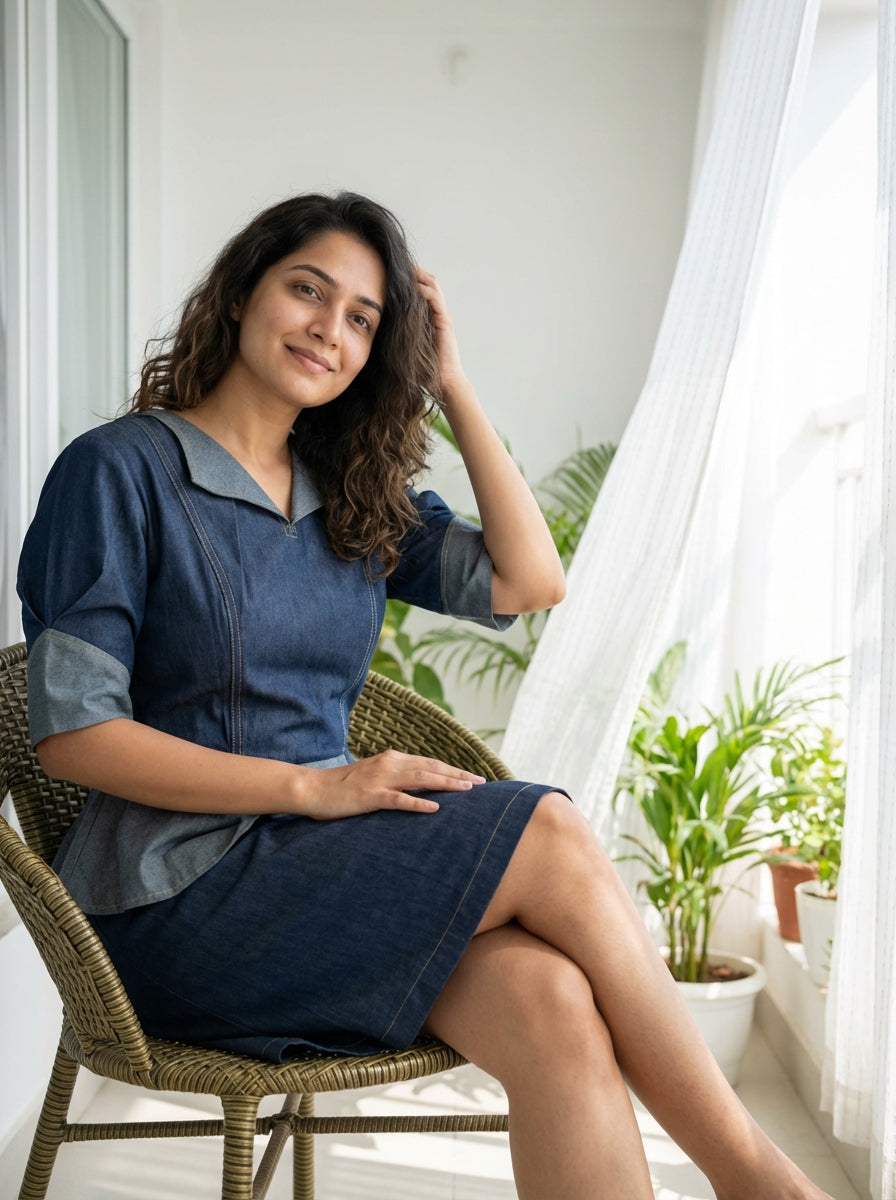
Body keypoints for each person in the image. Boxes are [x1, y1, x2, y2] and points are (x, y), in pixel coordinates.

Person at [17, 191, 835, 1200]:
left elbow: (529, 580)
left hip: (321, 876)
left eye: (364, 318)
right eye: (306, 291)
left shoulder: (344, 493)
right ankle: (753, 1175)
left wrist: (450, 381)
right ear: (237, 294)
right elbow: (74, 738)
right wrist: (314, 789)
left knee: (548, 1001)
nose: (329, 327)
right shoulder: (118, 472)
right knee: (547, 830)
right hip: (178, 901)